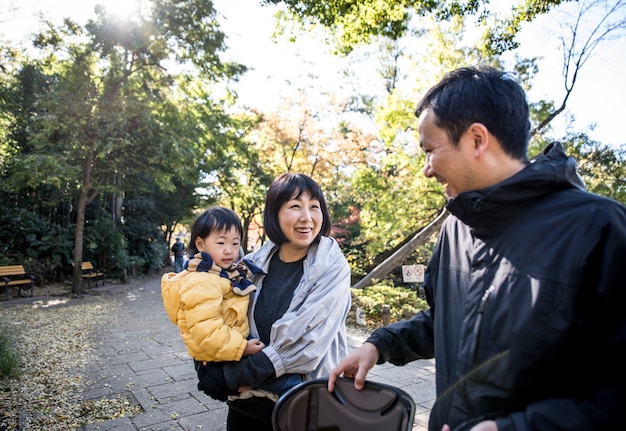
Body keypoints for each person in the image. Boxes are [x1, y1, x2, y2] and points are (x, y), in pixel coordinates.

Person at [328, 66, 626, 431]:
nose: (426, 170)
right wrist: (378, 345)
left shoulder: (600, 229)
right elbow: (448, 322)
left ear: (477, 140)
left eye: (430, 151)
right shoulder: (456, 228)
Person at [197, 173, 352, 431]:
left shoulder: (332, 266)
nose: (307, 216)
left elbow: (304, 344)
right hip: (244, 406)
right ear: (274, 214)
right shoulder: (254, 262)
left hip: (300, 409)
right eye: (295, 206)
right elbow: (218, 315)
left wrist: (230, 377)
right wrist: (205, 363)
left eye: (314, 206)